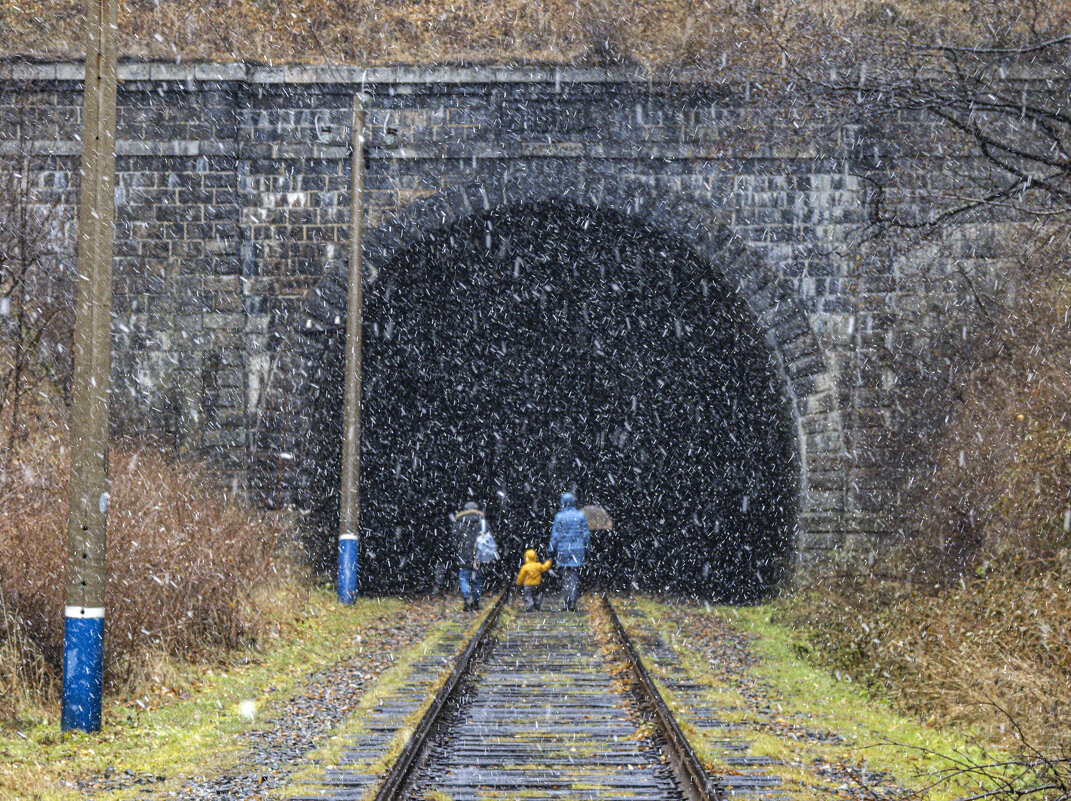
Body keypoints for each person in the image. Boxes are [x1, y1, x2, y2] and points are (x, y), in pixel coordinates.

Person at [548, 491, 591, 611]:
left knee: (565, 577)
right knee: (574, 577)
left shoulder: (559, 517)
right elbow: (585, 535)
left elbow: (555, 536)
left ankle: (567, 601)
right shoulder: (580, 516)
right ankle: (572, 601)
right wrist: (588, 548)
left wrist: (550, 551)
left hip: (563, 550)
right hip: (578, 550)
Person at [450, 501, 493, 611]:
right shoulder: (483, 522)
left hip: (464, 555)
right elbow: (489, 539)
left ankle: (466, 598)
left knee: (464, 578)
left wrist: (460, 550)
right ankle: (476, 602)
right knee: (478, 579)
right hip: (479, 555)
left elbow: (454, 540)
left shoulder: (459, 522)